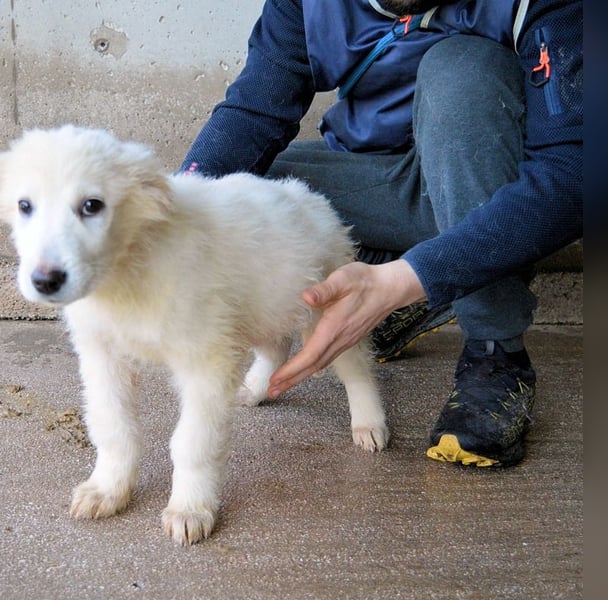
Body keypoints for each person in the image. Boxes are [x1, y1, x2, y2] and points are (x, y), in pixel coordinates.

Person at [180, 0, 582, 467]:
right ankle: (421, 283)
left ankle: (494, 351)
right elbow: (252, 113)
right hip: (386, 176)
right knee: (253, 194)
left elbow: (575, 172)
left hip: (489, 185)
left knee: (460, 68)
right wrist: (178, 214)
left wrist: (404, 279)